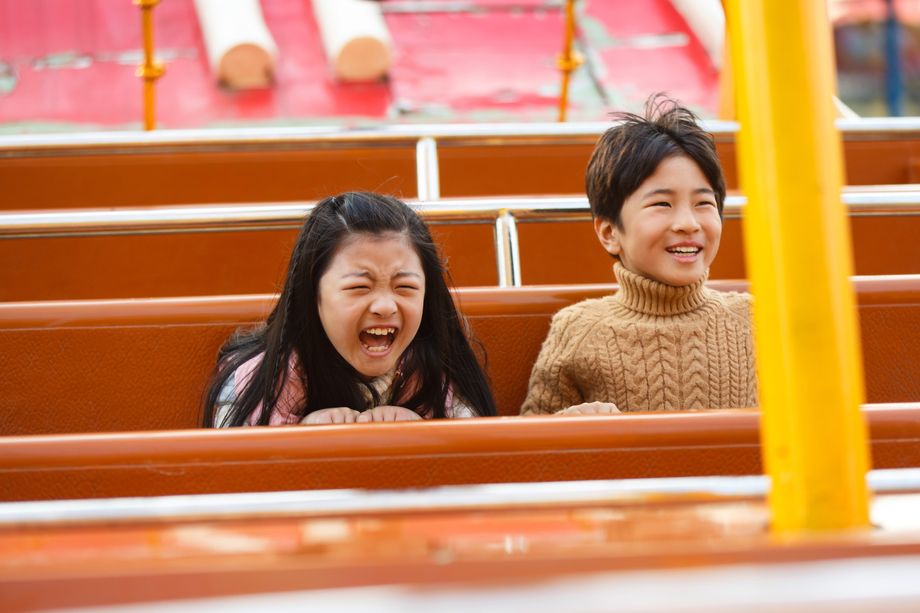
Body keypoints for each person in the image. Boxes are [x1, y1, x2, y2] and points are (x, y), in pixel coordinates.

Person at [521, 95, 758, 416]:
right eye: (662, 204)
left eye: (704, 203)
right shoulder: (577, 330)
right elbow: (533, 446)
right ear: (609, 233)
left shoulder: (756, 320)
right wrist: (564, 425)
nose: (688, 223)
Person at [203, 192, 497, 427]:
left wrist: (423, 431)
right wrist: (301, 438)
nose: (384, 306)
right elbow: (232, 478)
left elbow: (477, 463)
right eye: (359, 288)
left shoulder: (437, 367)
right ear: (312, 296)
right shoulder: (263, 380)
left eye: (404, 288)